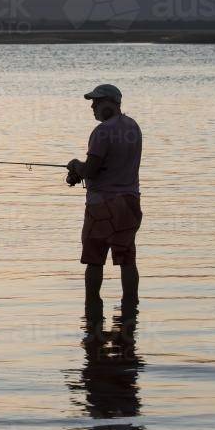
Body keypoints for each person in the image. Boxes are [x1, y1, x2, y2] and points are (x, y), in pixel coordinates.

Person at [66, 84, 143, 330]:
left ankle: (92, 312)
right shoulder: (133, 127)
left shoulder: (101, 132)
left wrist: (76, 166)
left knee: (94, 260)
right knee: (127, 258)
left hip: (102, 205)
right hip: (130, 202)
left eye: (97, 102)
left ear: (111, 102)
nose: (92, 106)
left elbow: (91, 170)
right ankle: (130, 310)